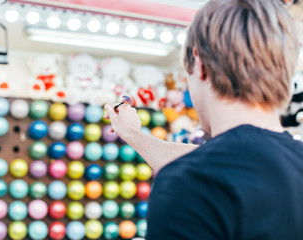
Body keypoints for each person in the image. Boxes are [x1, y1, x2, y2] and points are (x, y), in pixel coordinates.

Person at [104, 0, 303, 239]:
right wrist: (134, 136)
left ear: (200, 64)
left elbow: (215, 166)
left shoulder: (187, 183)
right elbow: (234, 161)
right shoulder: (291, 162)